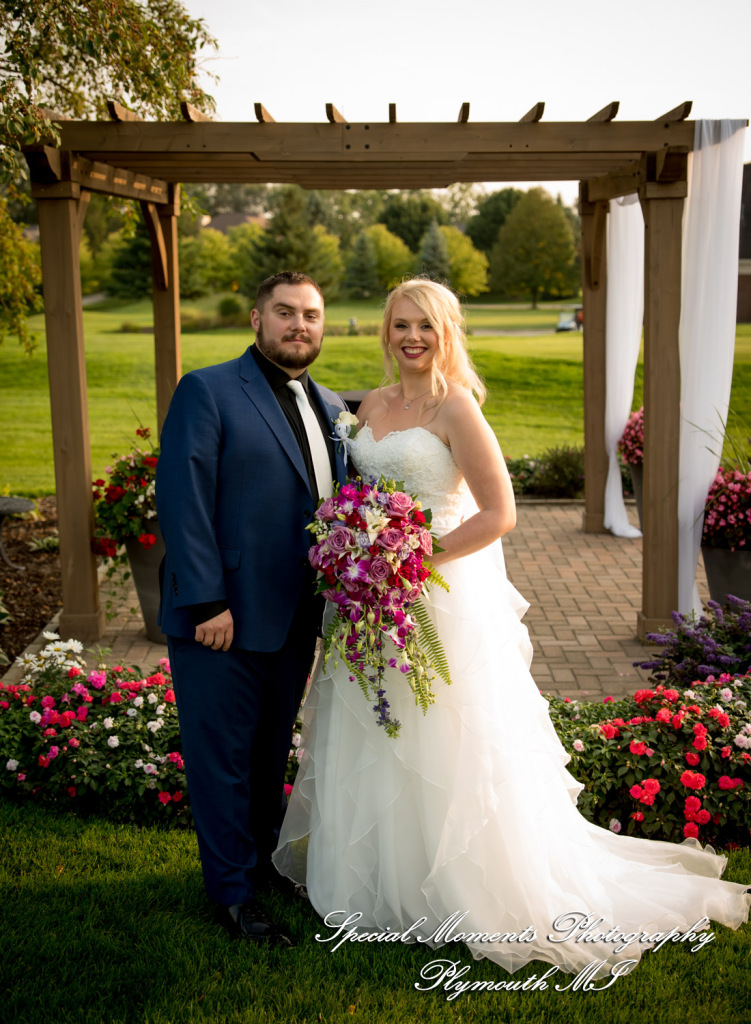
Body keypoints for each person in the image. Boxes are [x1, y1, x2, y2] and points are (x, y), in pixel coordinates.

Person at [273, 277, 750, 975]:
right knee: (375, 726)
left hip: (432, 590)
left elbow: (498, 514)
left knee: (443, 733)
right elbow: (357, 495)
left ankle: (463, 884)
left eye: (425, 327)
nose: (411, 337)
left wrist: (406, 558)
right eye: (400, 324)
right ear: (384, 331)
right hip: (369, 600)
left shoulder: (455, 407)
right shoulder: (371, 404)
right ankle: (381, 879)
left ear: (446, 333)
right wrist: (359, 555)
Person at [156, 271, 347, 942]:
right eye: (286, 313)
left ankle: (259, 866)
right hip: (222, 618)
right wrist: (208, 600)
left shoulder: (328, 404)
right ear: (256, 319)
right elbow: (183, 499)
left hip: (295, 617)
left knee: (268, 757)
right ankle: (233, 896)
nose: (300, 325)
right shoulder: (207, 390)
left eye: (312, 315)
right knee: (222, 760)